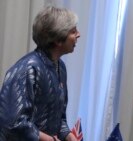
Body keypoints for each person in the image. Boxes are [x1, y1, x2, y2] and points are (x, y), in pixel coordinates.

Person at [0, 6, 80, 141]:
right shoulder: (26, 69)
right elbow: (12, 123)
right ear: (57, 38)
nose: (78, 34)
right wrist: (48, 139)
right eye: (73, 31)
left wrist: (69, 136)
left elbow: (59, 119)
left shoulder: (61, 67)